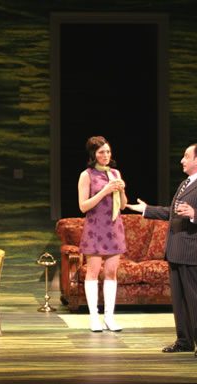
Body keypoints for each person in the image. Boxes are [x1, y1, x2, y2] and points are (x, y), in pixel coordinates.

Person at [126, 143, 197, 358]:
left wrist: (194, 213)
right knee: (180, 300)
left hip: (193, 251)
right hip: (177, 250)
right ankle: (184, 341)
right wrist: (147, 210)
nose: (182, 160)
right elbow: (173, 212)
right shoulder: (185, 184)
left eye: (186, 156)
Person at [77, 136, 127, 332]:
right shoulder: (86, 175)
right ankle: (94, 318)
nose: (106, 155)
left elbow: (122, 205)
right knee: (93, 272)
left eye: (108, 151)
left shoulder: (115, 173)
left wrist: (121, 190)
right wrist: (105, 191)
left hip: (114, 228)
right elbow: (83, 206)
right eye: (101, 152)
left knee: (111, 273)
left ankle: (109, 317)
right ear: (93, 154)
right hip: (96, 228)